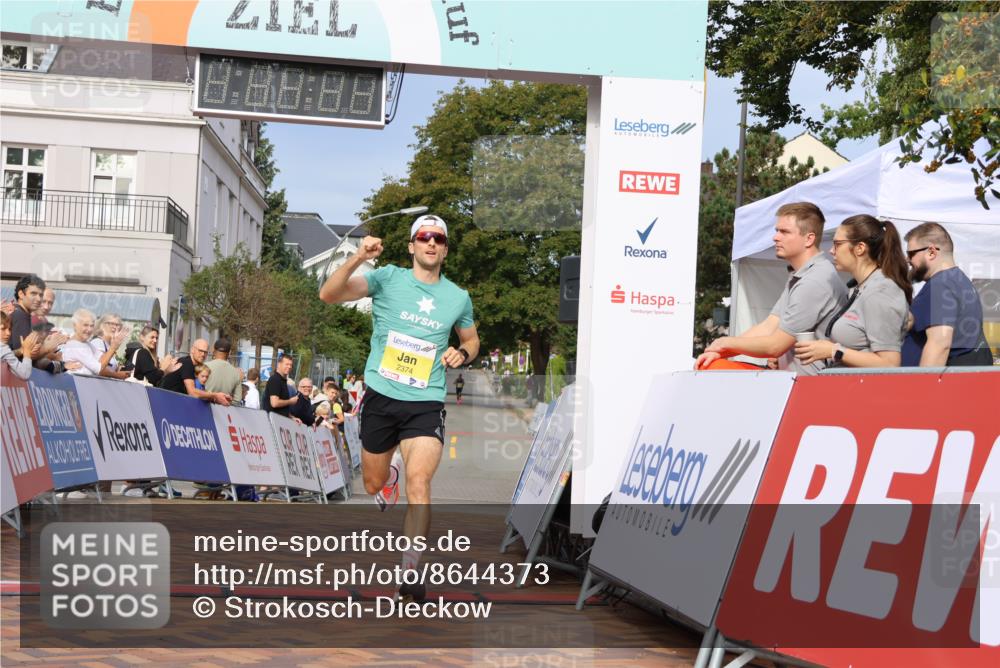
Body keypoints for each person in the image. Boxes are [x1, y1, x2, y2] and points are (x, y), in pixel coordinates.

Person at [319, 213, 480, 603]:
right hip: (381, 395)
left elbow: (472, 339)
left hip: (425, 400)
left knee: (420, 483)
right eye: (424, 237)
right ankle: (386, 475)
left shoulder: (457, 297)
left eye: (439, 239)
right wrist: (358, 257)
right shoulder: (387, 278)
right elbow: (328, 294)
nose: (431, 243)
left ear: (445, 249)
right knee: (373, 483)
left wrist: (462, 353)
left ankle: (411, 568)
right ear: (412, 245)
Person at [696, 202, 848, 374]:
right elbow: (769, 325)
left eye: (784, 232)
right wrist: (720, 351)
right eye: (777, 231)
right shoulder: (803, 275)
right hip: (790, 380)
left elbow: (775, 346)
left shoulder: (814, 280)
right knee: (712, 365)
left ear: (809, 239)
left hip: (810, 387)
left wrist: (725, 344)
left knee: (713, 368)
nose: (775, 237)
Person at [793, 215, 911, 368]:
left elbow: (889, 363)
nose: (831, 251)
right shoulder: (862, 287)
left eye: (837, 244)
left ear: (860, 248)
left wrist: (834, 351)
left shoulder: (881, 291)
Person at [902, 222, 992, 366]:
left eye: (911, 253)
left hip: (945, 382)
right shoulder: (958, 279)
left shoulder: (940, 285)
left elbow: (940, 345)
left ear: (931, 252)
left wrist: (921, 386)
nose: (908, 259)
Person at [9, 274, 69, 373]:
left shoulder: (22, 314)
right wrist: (47, 347)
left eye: (40, 295)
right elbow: (23, 356)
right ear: (21, 294)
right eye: (33, 294)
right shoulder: (20, 315)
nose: (38, 299)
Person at [159, 338, 232, 405]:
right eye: (200, 351)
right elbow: (192, 392)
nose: (203, 354)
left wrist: (215, 399)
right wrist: (215, 395)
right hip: (165, 403)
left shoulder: (196, 366)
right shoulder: (187, 363)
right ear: (192, 350)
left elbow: (198, 393)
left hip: (172, 403)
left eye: (205, 352)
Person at [1, 309, 41, 379]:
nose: (8, 333)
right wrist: (27, 352)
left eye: (9, 329)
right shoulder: (3, 347)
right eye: (3, 329)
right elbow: (25, 374)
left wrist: (21, 350)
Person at [91, 313, 132, 379]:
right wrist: (118, 375)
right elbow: (98, 368)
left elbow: (110, 368)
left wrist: (121, 370)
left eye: (117, 325)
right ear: (101, 325)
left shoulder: (110, 346)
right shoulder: (97, 342)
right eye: (110, 323)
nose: (114, 327)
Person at [204, 338, 244, 402]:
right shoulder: (236, 373)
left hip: (204, 407)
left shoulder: (204, 367)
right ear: (229, 352)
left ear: (213, 350)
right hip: (223, 410)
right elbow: (237, 400)